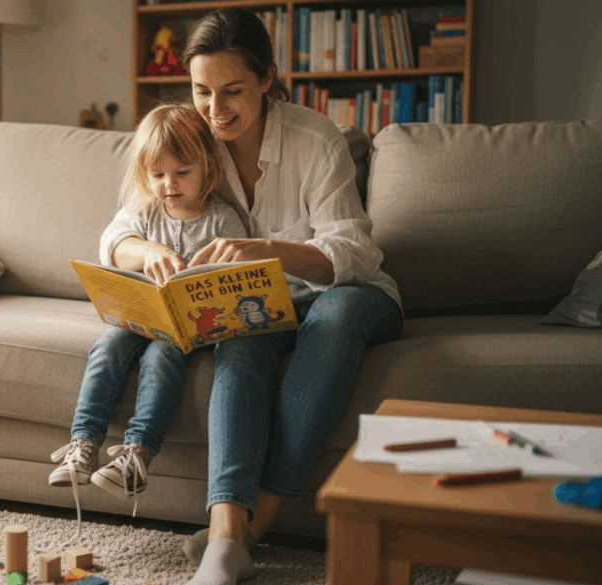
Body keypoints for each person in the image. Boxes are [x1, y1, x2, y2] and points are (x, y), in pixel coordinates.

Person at [100, 8, 405, 585]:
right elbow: (117, 235)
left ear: (267, 79)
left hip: (347, 294)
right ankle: (224, 539)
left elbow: (356, 253)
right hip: (267, 308)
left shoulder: (316, 139)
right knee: (239, 346)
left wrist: (269, 250)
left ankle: (254, 525)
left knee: (333, 319)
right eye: (201, 92)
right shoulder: (193, 141)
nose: (215, 110)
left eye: (233, 91)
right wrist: (148, 254)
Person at [49, 103, 248, 541]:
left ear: (207, 167)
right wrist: (147, 252)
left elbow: (229, 287)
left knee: (161, 358)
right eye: (157, 174)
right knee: (108, 345)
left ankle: (136, 458)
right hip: (140, 317)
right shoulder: (144, 210)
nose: (169, 185)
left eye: (182, 173)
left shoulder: (222, 219)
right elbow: (113, 243)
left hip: (187, 329)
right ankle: (83, 444)